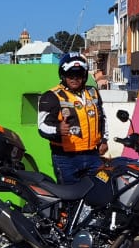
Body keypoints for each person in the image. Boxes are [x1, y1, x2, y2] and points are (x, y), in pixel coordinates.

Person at [38, 51, 109, 184]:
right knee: (70, 199)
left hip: (92, 156)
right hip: (66, 159)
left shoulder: (93, 92)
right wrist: (58, 129)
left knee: (101, 192)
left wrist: (104, 140)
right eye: (71, 74)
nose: (75, 78)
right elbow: (42, 127)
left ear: (84, 75)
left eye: (79, 74)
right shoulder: (51, 96)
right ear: (63, 75)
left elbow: (102, 118)